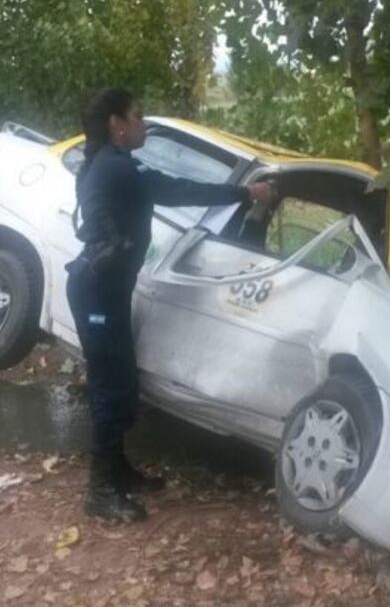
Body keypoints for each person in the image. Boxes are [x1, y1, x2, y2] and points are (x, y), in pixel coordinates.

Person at [66, 88, 273, 522]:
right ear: (117, 125)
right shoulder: (119, 169)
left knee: (121, 381)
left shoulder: (106, 165)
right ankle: (99, 490)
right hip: (98, 292)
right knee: (109, 385)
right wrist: (246, 193)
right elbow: (178, 189)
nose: (143, 125)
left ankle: (117, 470)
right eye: (138, 118)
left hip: (103, 289)